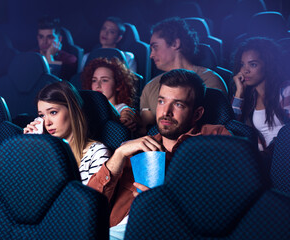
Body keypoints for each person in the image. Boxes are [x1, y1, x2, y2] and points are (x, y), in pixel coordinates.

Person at [87, 69, 232, 239]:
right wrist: (118, 155)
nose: (166, 112)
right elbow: (90, 206)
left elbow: (227, 200)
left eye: (178, 104)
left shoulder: (215, 138)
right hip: (117, 231)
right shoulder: (136, 147)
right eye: (162, 101)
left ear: (197, 113)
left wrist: (167, 201)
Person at [140, 17, 228, 135]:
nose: (151, 55)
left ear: (175, 43)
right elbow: (144, 129)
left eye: (155, 47)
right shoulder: (150, 87)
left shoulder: (211, 81)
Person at [23, 81, 111, 185]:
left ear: (73, 111)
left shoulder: (97, 153)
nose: (47, 123)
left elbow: (87, 200)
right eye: (42, 115)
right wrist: (31, 149)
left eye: (53, 112)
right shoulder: (45, 155)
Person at [231, 37, 290, 153]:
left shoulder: (286, 90)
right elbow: (232, 128)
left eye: (253, 65)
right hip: (262, 159)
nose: (245, 70)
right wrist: (239, 94)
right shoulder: (248, 96)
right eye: (242, 64)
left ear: (268, 66)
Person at [82, 57, 138, 132]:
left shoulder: (122, 110)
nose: (98, 85)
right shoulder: (85, 108)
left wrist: (127, 117)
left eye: (104, 80)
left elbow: (127, 114)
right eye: (94, 80)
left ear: (118, 85)